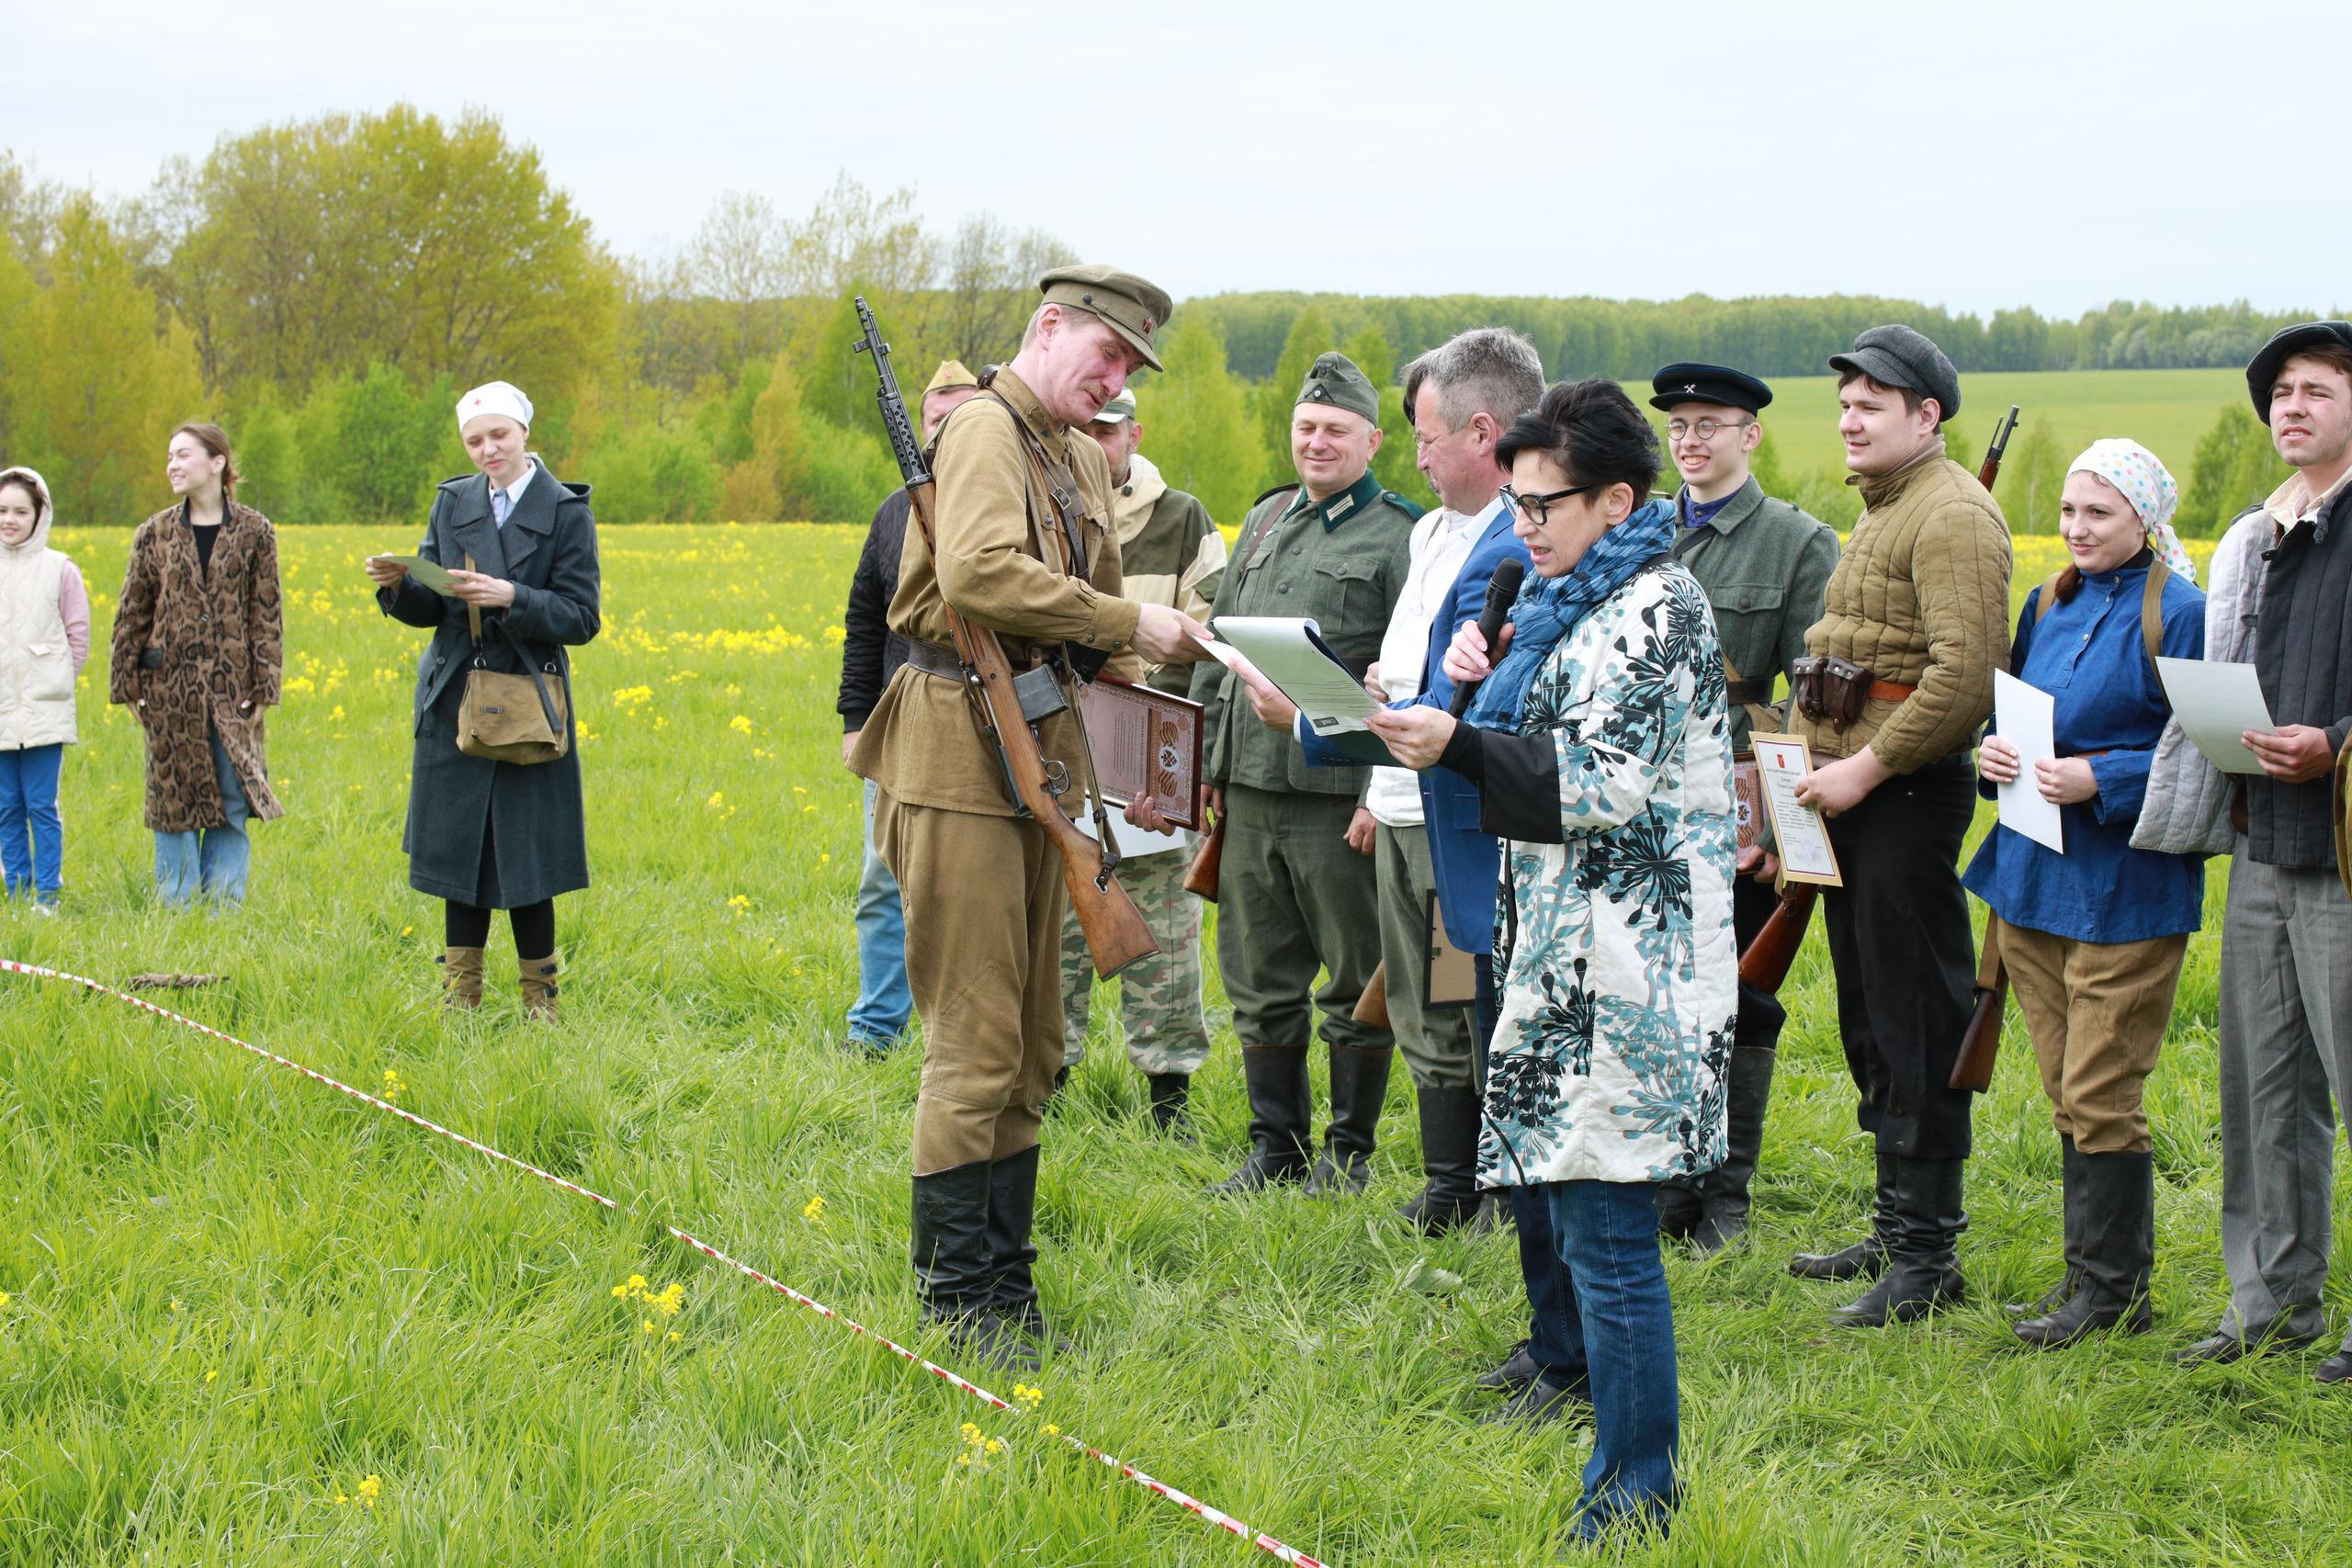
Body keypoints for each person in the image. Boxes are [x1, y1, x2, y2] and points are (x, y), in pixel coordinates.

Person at [1367, 376, 1734, 1545]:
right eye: (1516, 504)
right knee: (1577, 1217)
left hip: (1632, 970)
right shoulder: (1564, 598)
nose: (1521, 526)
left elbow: (1601, 783)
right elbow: (1531, 744)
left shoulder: (1659, 607)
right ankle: (1611, 1449)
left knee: (1612, 1237)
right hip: (1562, 953)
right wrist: (1471, 683)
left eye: (1543, 505)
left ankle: (1636, 1494)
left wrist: (1460, 743)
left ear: (1616, 499)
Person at [849, 265, 1208, 1368]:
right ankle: (956, 1300)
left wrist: (1146, 759)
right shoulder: (985, 432)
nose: (1114, 380)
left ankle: (1006, 1281)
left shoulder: (1072, 452)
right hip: (955, 751)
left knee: (1037, 1041)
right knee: (976, 1041)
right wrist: (1128, 621)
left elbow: (1093, 632)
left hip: (1044, 751)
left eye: (1130, 368)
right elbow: (978, 575)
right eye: (1105, 354)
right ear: (1048, 327)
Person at [1783, 326, 2011, 1327]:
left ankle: (1927, 1255)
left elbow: (1965, 680)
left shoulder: (1951, 512)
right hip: (1851, 798)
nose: (1849, 419)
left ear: (1926, 417)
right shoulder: (1886, 506)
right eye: (1844, 404)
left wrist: (1866, 768)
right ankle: (1894, 1227)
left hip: (1903, 797)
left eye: (1870, 405)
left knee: (1916, 1014)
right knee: (1872, 1013)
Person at [1295, 327, 1544, 1235]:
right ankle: (1450, 1183)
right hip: (1400, 796)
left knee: (1471, 992)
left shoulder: (1517, 537)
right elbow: (1411, 666)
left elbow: (1471, 698)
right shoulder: (1430, 531)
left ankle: (1493, 1189)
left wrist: (1339, 720)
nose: (1418, 455)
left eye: (1427, 437)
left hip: (1461, 810)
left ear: (1482, 433)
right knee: (1419, 996)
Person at [1967, 440, 2206, 1348]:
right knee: (2066, 1088)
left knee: (2102, 1090)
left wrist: (2102, 776)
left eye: (2098, 513)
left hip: (2127, 888)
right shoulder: (2046, 602)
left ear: (2144, 518)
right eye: (2069, 510)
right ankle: (2086, 1280)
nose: (2076, 528)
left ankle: (2113, 1297)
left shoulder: (2181, 613)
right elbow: (2018, 716)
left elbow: (2205, 748)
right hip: (2033, 882)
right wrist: (1995, 753)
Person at [2155, 321, 2352, 1376]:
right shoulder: (2261, 534)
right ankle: (2272, 1303)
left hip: (2347, 847)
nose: (2292, 407)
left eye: (2316, 389)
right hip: (2263, 842)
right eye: (2280, 392)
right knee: (2264, 1088)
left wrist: (2338, 744)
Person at [1186, 351, 1418, 1196]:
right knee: (1257, 977)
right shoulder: (1263, 519)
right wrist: (1205, 761)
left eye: (1336, 430)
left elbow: (1409, 674)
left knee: (1355, 976)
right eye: (1306, 427)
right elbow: (1219, 647)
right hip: (1250, 793)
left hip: (1336, 798)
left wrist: (1378, 794)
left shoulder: (1399, 535)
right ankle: (1274, 1147)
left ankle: (1347, 1153)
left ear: (1372, 441)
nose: (1317, 442)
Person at [1646, 365, 1839, 1255]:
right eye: (1679, 426)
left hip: (1739, 802)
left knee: (1741, 998)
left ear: (1750, 435)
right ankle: (1670, 1179)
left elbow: (1812, 697)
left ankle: (1724, 1195)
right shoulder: (1641, 533)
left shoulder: (1796, 544)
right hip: (1644, 798)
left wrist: (1772, 819)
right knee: (1659, 995)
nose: (1691, 441)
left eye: (1710, 425)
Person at [365, 380, 601, 1020]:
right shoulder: (453, 502)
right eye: (475, 441)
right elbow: (434, 606)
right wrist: (398, 586)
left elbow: (582, 617)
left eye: (498, 435)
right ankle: (459, 1001)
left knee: (528, 861)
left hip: (528, 705)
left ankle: (541, 1004)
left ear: (524, 431)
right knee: (457, 856)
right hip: (455, 701)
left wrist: (512, 597)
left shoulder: (566, 511)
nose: (488, 449)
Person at [1056, 385, 1226, 1132]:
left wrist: (1171, 754)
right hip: (1062, 760)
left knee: (1165, 940)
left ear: (1134, 434)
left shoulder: (1183, 518)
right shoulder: (1044, 507)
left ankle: (1169, 1103)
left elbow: (1212, 640)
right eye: (1086, 429)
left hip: (1153, 755)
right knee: (1057, 935)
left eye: (1110, 430)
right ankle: (1049, 1083)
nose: (1097, 442)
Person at [838, 358, 983, 1055]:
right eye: (935, 417)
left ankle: (962, 1031)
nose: (945, 428)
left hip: (984, 722)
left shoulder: (1000, 497)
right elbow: (865, 620)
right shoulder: (894, 511)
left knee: (974, 886)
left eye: (961, 415)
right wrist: (854, 720)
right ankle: (875, 1028)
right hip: (898, 723)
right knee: (882, 879)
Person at [109, 423, 285, 907]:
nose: (172, 465)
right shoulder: (154, 533)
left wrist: (265, 686)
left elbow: (266, 614)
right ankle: (177, 905)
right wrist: (126, 684)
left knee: (232, 796)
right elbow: (132, 613)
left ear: (217, 462)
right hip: (167, 687)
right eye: (169, 456)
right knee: (173, 798)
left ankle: (224, 906)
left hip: (233, 688)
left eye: (183, 454)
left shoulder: (255, 531)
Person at [0, 467, 89, 910]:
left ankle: (48, 896)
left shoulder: (60, 569)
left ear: (40, 515)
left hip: (44, 710)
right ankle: (17, 893)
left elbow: (78, 635)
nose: (9, 520)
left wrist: (55, 682)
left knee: (41, 805)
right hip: (1, 709)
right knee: (6, 807)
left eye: (21, 511)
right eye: (2, 510)